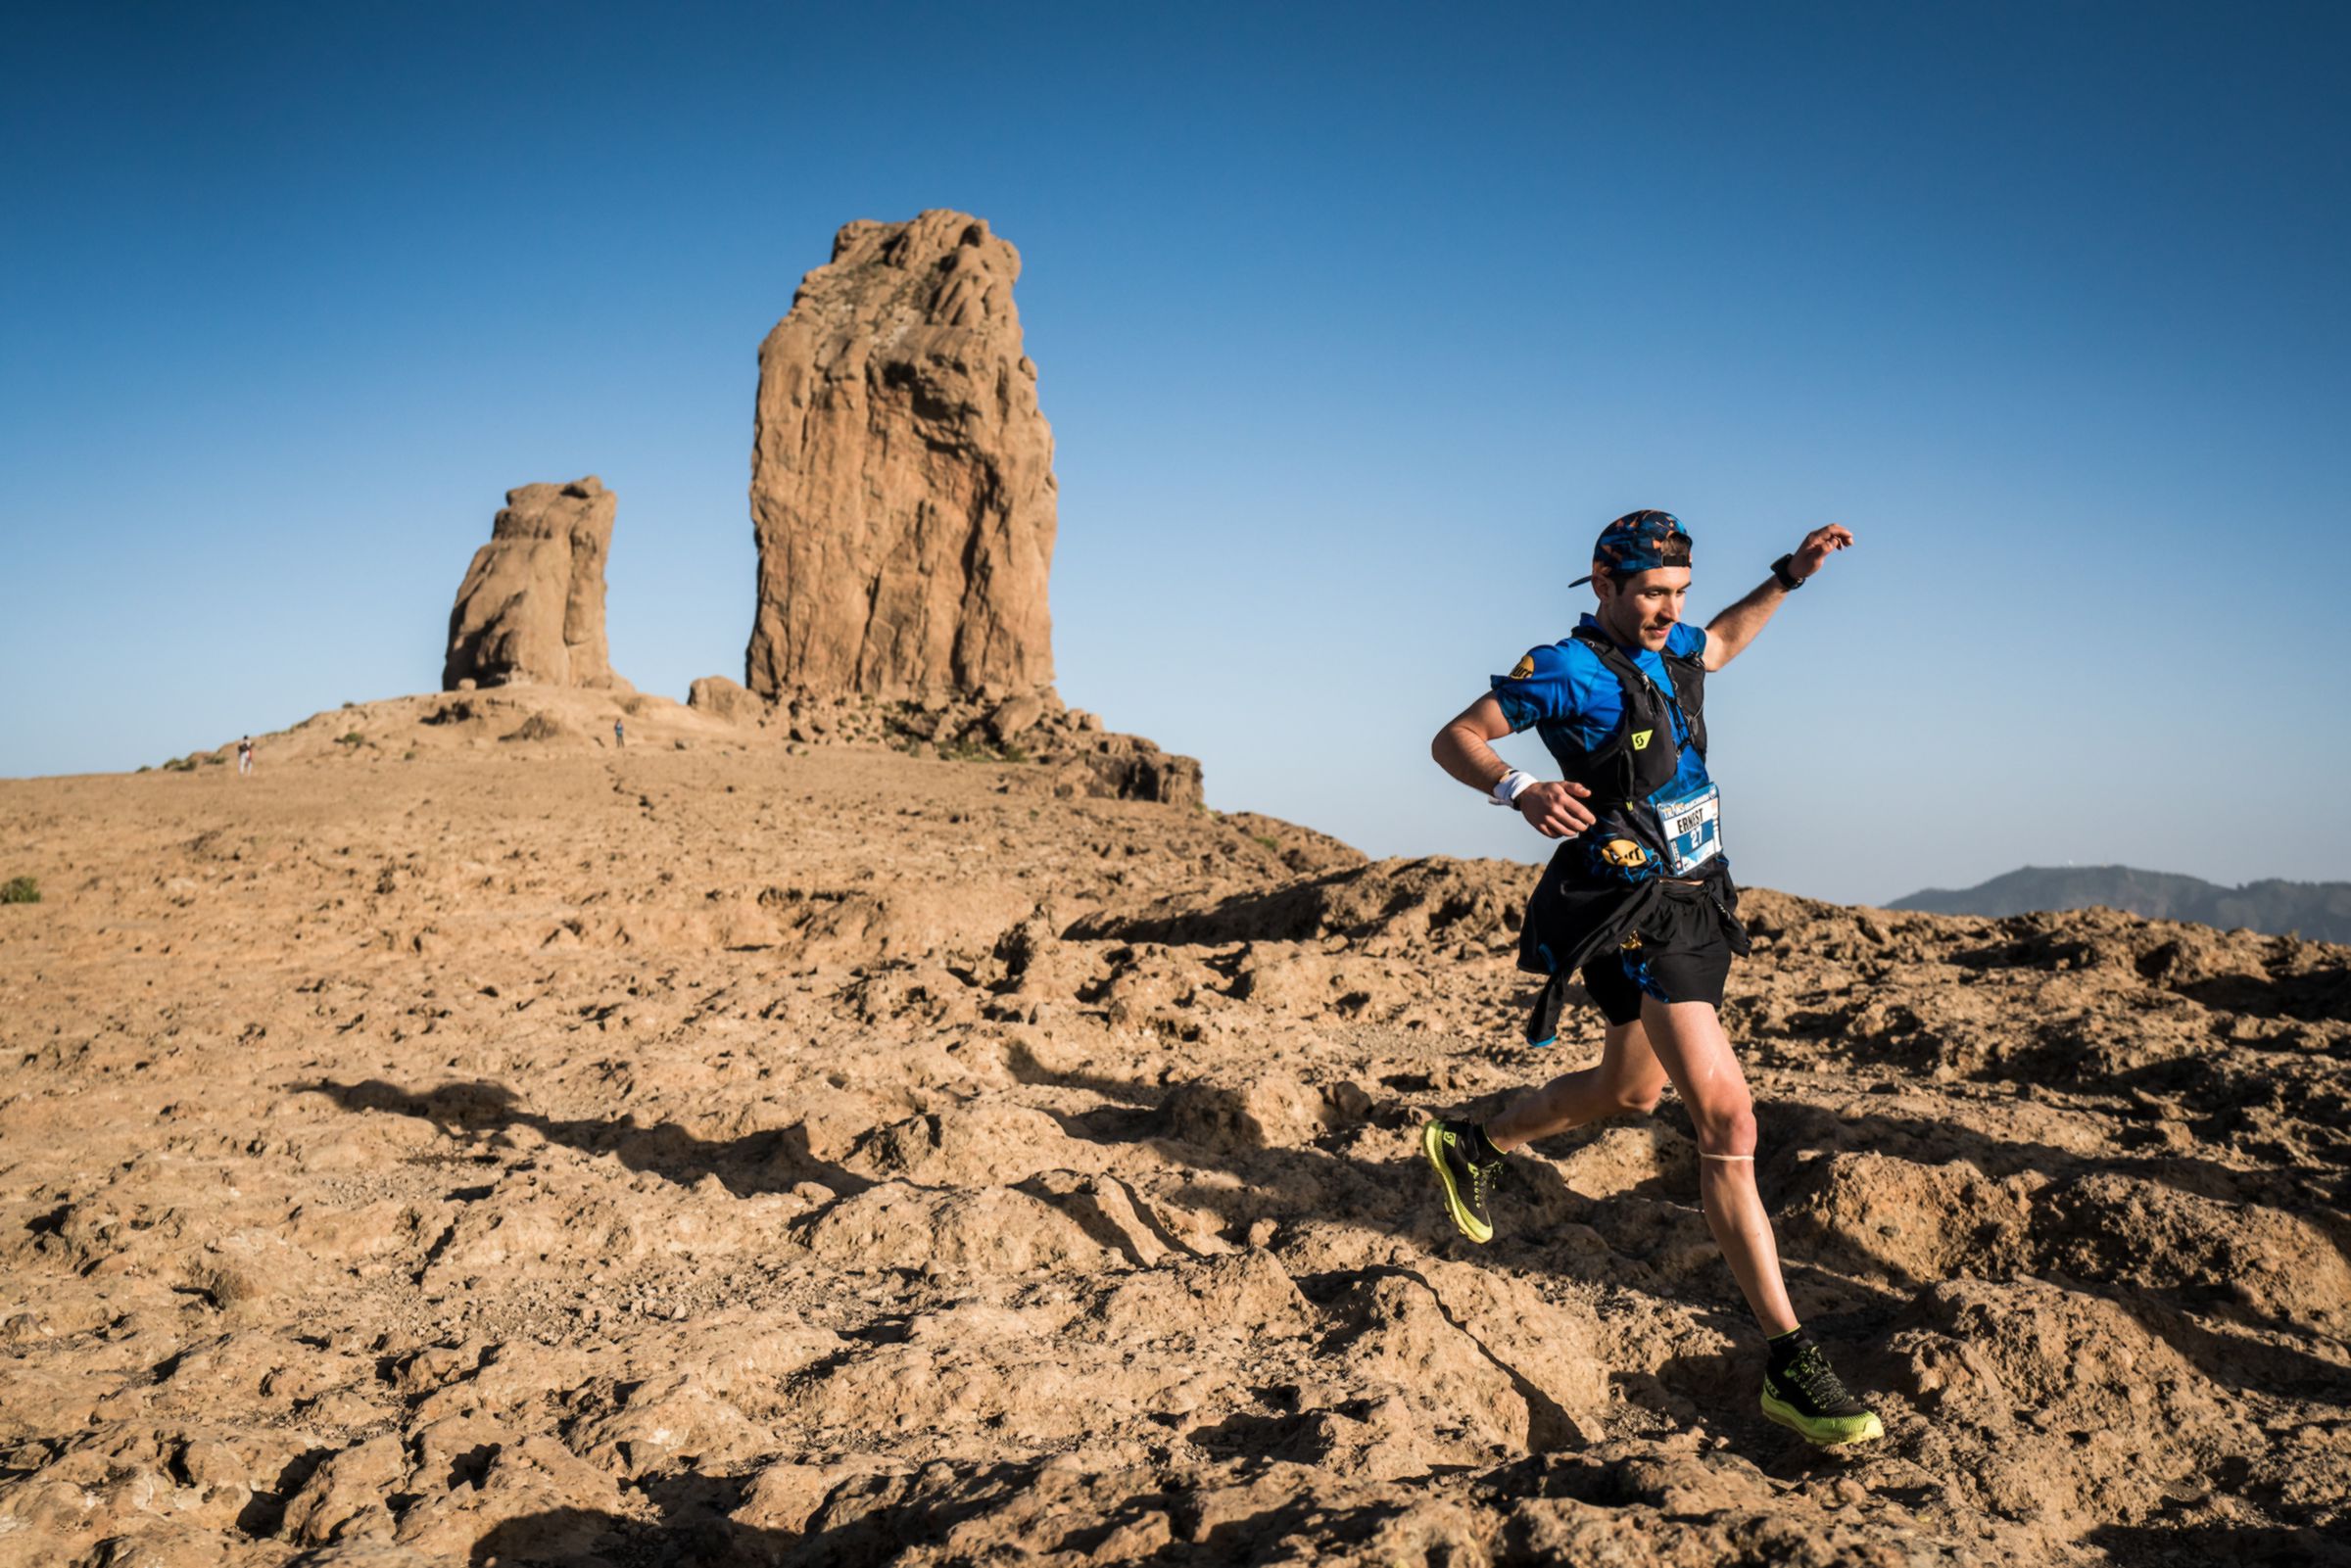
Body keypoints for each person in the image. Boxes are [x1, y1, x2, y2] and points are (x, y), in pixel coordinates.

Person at [1420, 508, 1881, 1448]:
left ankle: (1475, 1137)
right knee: (1729, 1119)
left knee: (1629, 1093)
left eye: (1679, 592)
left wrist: (1788, 578)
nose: (1671, 611)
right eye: (1651, 594)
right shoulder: (1568, 667)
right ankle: (1791, 1362)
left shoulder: (1675, 647)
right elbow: (1455, 736)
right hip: (1635, 914)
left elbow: (1723, 641)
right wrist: (1520, 787)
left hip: (1698, 898)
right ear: (1603, 584)